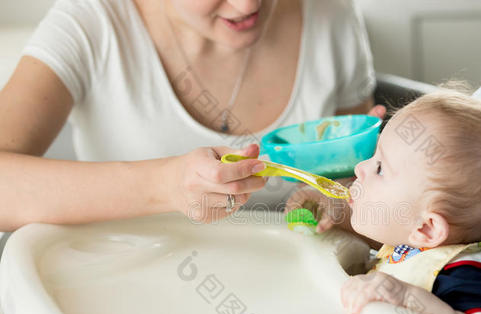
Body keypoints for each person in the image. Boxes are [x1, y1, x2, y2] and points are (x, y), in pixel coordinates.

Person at [0, 0, 385, 232]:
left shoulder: (330, 14)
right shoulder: (92, 23)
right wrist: (164, 185)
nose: (248, 5)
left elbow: (349, 179)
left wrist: (343, 203)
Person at [295, 91, 481, 314]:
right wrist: (332, 210)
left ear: (427, 227)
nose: (360, 167)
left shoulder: (472, 277)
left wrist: (406, 296)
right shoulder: (415, 244)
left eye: (380, 169)